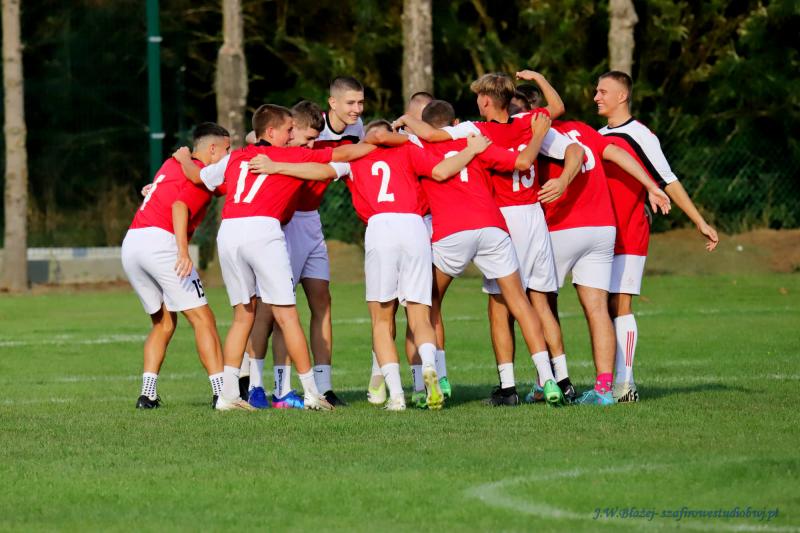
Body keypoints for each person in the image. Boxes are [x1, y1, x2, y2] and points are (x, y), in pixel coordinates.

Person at [250, 128, 492, 411]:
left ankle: (396, 396)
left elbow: (319, 170)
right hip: (414, 226)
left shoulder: (357, 156)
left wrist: (277, 166)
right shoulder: (408, 149)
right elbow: (441, 170)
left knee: (381, 319)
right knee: (419, 314)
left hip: (380, 228)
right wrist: (471, 150)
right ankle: (429, 367)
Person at [395, 72, 584, 405]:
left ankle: (499, 386)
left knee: (480, 305)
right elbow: (557, 112)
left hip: (497, 218)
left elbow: (431, 137)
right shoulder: (529, 121)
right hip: (530, 216)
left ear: (484, 100)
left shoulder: (476, 133)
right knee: (535, 303)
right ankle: (557, 380)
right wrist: (538, 80)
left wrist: (405, 120)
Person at [174, 104, 373, 411]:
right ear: (271, 131)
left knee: (243, 315)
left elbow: (200, 176)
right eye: (288, 130)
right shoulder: (287, 155)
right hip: (263, 231)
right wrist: (379, 143)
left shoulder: (237, 156)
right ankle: (312, 393)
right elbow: (338, 158)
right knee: (287, 315)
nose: (292, 135)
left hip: (229, 231)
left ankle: (227, 396)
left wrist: (184, 157)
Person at [594, 71, 719, 402]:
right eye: (596, 91)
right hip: (603, 232)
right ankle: (610, 382)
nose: (596, 97)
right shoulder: (598, 135)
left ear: (622, 96)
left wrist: (699, 221)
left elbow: (668, 179)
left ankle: (626, 384)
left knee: (621, 303)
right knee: (605, 306)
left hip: (631, 229)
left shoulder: (640, 135)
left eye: (603, 91)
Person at [537, 118, 671, 405]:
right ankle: (603, 390)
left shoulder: (534, 131)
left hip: (561, 225)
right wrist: (651, 185)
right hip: (602, 227)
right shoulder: (583, 129)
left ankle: (548, 381)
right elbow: (617, 153)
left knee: (541, 303)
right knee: (598, 308)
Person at [121, 123, 238, 409]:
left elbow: (165, 192)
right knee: (203, 319)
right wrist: (183, 252)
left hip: (133, 241)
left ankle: (147, 395)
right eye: (227, 149)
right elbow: (179, 206)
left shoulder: (171, 164)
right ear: (212, 149)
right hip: (162, 243)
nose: (229, 154)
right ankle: (221, 393)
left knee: (163, 323)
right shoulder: (200, 175)